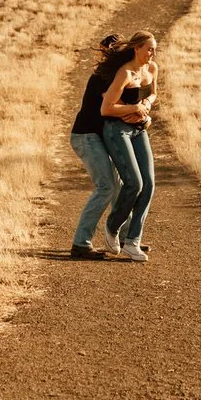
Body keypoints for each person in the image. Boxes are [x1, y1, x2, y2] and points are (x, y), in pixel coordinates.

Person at [100, 30, 158, 262]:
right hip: (117, 131)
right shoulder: (125, 73)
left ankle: (132, 242)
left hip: (138, 129)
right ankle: (112, 228)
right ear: (137, 48)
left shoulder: (151, 69)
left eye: (155, 48)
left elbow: (153, 95)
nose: (153, 53)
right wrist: (133, 109)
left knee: (149, 184)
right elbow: (106, 108)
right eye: (149, 48)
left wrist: (145, 106)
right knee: (134, 183)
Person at [68, 34, 126, 260]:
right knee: (106, 187)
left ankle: (123, 239)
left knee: (120, 186)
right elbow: (112, 105)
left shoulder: (116, 75)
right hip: (86, 137)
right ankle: (80, 244)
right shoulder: (103, 77)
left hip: (98, 137)